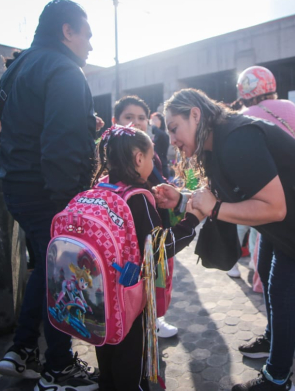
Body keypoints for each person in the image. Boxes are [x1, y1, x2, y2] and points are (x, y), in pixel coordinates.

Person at [156, 88, 295, 391]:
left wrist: (215, 209)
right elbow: (222, 197)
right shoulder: (217, 141)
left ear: (195, 114)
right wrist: (182, 200)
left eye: (174, 128)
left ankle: (278, 379)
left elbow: (274, 207)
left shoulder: (237, 139)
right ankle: (275, 338)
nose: (173, 139)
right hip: (282, 220)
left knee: (283, 293)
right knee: (270, 282)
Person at [0, 0, 99, 390]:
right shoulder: (64, 70)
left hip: (16, 188)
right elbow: (60, 145)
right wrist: (70, 205)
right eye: (87, 35)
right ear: (67, 32)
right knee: (62, 276)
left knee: (45, 269)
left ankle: (21, 350)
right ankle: (58, 367)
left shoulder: (18, 67)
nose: (91, 46)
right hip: (49, 191)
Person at [93, 124, 203, 391]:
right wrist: (192, 221)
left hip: (100, 296)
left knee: (107, 351)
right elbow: (158, 249)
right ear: (139, 159)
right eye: (152, 156)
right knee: (131, 355)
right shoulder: (137, 198)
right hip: (128, 298)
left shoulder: (99, 189)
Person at [229, 66, 295, 281]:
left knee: (245, 223)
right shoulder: (292, 108)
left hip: (257, 188)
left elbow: (236, 158)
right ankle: (260, 270)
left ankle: (234, 263)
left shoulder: (243, 116)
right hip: (292, 190)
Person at [112, 96, 180, 338]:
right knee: (142, 283)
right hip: (137, 240)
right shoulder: (115, 159)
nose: (136, 123)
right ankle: (146, 324)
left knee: (157, 281)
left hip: (154, 226)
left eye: (141, 118)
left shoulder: (150, 151)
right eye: (128, 117)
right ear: (115, 121)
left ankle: (154, 319)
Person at [150, 112, 171, 179]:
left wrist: (154, 127)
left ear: (161, 121)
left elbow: (160, 134)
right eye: (152, 120)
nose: (153, 122)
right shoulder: (156, 136)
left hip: (162, 167)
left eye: (155, 120)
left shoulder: (163, 135)